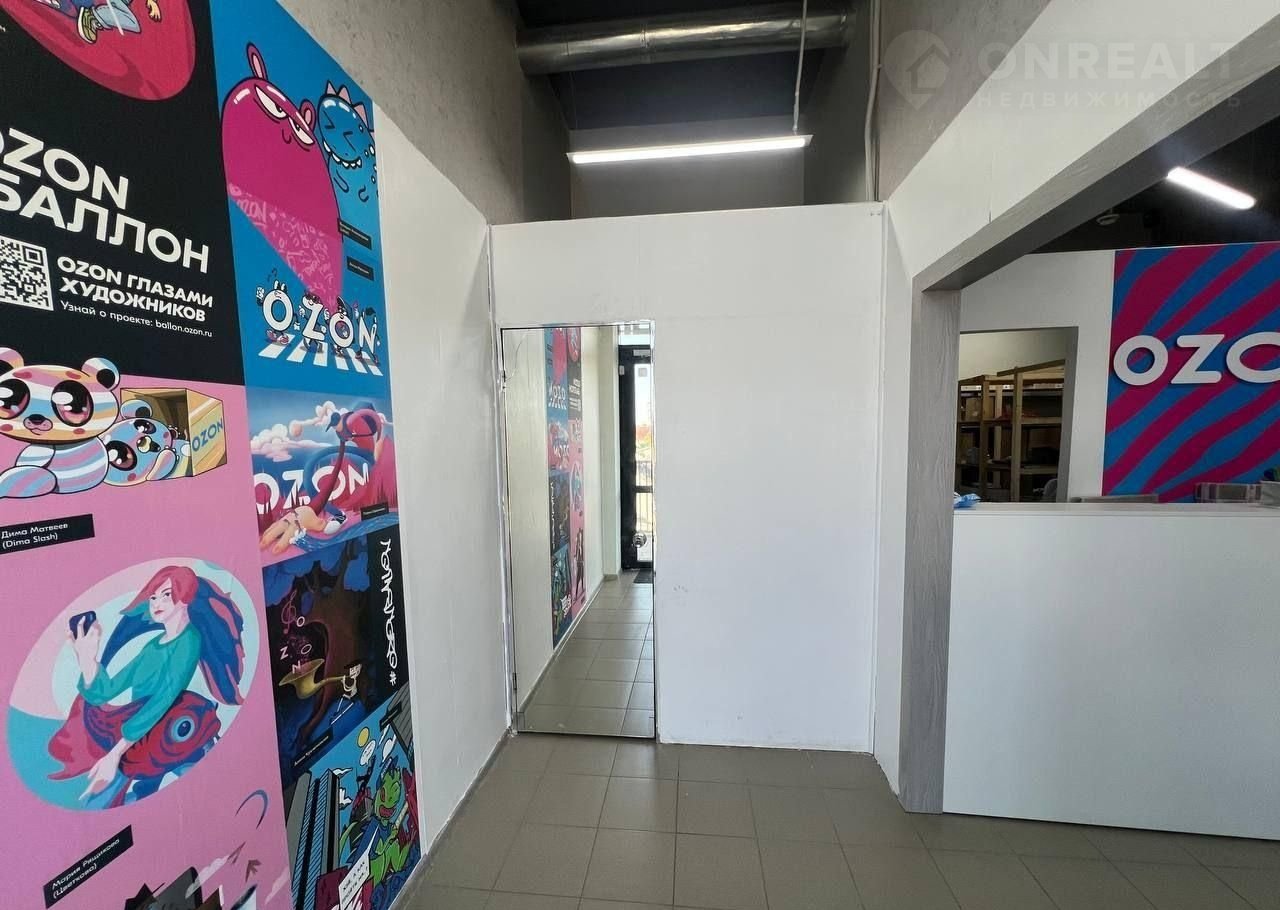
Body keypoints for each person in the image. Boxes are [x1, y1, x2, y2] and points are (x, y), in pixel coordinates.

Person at [50, 566, 246, 808]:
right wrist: (87, 659)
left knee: (205, 793)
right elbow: (108, 689)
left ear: (185, 596)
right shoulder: (152, 646)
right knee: (130, 799)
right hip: (144, 735)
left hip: (176, 731)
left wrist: (115, 754)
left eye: (166, 595)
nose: (156, 603)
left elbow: (161, 701)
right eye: (153, 597)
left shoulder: (189, 640)